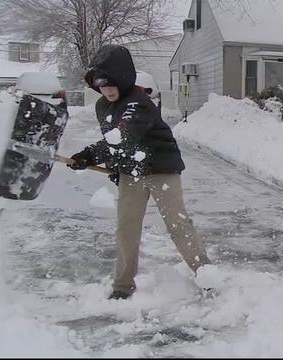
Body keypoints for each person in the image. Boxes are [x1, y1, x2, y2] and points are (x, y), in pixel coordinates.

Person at [68, 44, 211, 300]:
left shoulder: (139, 102)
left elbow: (122, 136)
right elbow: (116, 143)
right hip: (130, 173)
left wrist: (89, 154)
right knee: (126, 227)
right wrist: (114, 167)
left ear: (123, 79)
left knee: (178, 224)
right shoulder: (102, 106)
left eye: (112, 84)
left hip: (161, 169)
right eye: (101, 85)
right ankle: (122, 286)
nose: (107, 90)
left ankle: (206, 275)